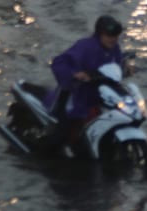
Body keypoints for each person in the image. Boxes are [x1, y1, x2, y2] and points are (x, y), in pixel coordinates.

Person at [47, 15, 128, 145]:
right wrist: (75, 74)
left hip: (99, 96)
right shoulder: (85, 47)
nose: (113, 39)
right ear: (100, 34)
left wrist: (126, 68)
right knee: (62, 134)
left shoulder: (115, 49)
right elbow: (59, 63)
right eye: (109, 35)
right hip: (75, 94)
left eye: (116, 36)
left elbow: (117, 65)